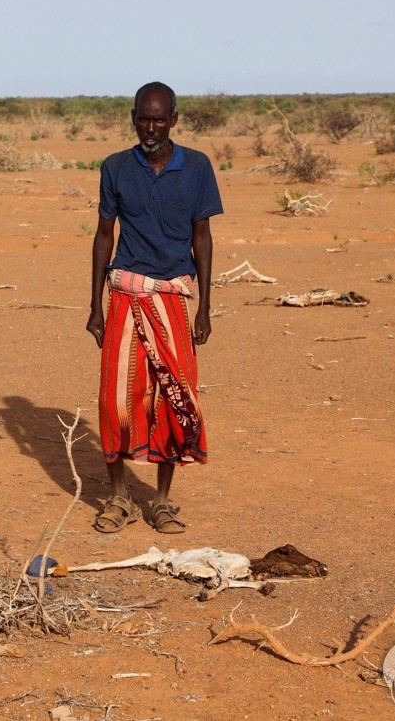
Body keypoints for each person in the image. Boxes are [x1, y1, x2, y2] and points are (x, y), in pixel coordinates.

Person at [86, 81, 223, 534]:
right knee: (115, 400)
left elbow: (202, 238)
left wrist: (205, 306)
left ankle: (161, 501)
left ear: (173, 120)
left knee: (173, 398)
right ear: (133, 118)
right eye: (144, 118)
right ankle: (120, 497)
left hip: (172, 297)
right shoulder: (116, 168)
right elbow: (104, 235)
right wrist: (95, 306)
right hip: (125, 292)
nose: (151, 127)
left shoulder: (198, 167)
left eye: (159, 119)